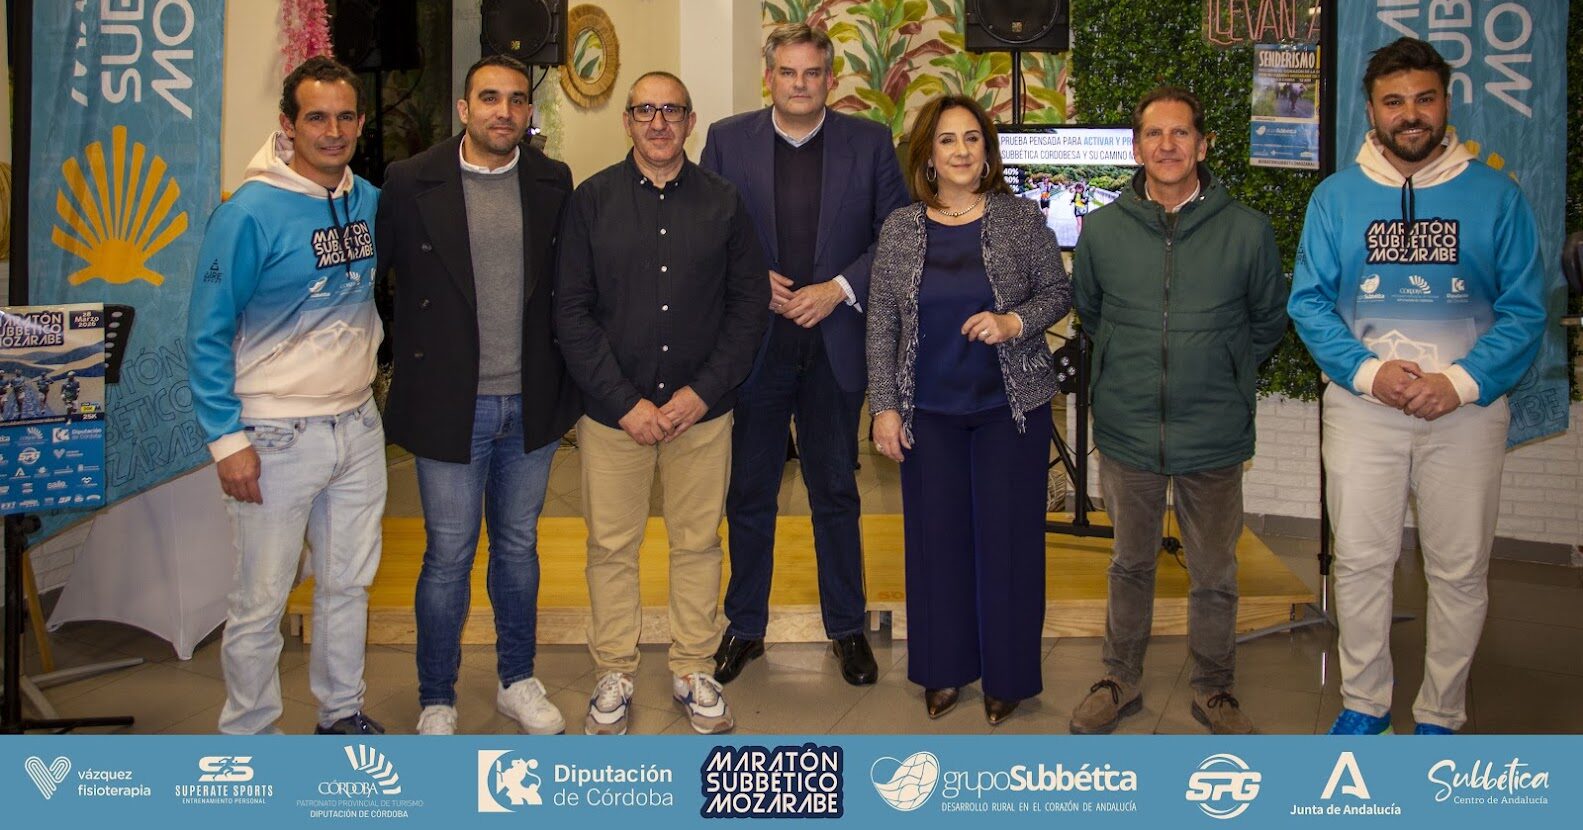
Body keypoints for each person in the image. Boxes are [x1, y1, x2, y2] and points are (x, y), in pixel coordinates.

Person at [1289, 38, 1547, 736]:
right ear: (1371, 110)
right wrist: (1370, 372)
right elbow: (1308, 303)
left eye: (1424, 99)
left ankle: (1441, 711)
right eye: (1393, 101)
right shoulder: (1335, 198)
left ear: (1446, 103)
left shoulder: (1497, 196)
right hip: (1362, 409)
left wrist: (1459, 382)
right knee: (1361, 562)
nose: (1410, 114)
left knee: (1459, 569)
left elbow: (1526, 311)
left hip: (1465, 413)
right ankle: (1364, 704)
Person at [1067, 86, 1287, 735]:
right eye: (1153, 134)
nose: (1167, 145)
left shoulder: (1246, 231)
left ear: (1203, 145)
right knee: (1129, 564)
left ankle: (1214, 689)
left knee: (1214, 573)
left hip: (1212, 433)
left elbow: (1266, 322)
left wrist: (1219, 369)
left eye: (1180, 133)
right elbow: (1092, 313)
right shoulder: (1102, 230)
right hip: (1128, 429)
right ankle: (1119, 678)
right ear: (1136, 148)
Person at [555, 71, 768, 735]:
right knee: (610, 547)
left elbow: (747, 307)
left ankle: (693, 667)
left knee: (697, 543)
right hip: (613, 417)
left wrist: (700, 393)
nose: (658, 122)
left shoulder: (724, 202)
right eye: (644, 110)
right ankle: (613, 671)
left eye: (671, 110)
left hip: (700, 415)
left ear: (690, 121)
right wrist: (624, 403)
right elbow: (571, 312)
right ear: (627, 121)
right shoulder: (591, 201)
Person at [376, 54, 581, 736]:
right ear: (464, 109)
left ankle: (517, 679)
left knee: (518, 548)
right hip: (449, 402)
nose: (504, 111)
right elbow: (375, 281)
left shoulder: (552, 180)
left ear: (529, 112)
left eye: (517, 99)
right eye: (489, 98)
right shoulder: (410, 181)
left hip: (530, 400)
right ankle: (437, 695)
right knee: (448, 554)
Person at [700, 22, 909, 688]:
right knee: (750, 492)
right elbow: (705, 230)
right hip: (754, 347)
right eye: (787, 72)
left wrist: (839, 287)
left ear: (830, 79)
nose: (799, 84)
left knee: (835, 491)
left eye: (811, 73)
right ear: (769, 77)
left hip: (834, 343)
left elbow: (898, 235)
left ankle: (846, 627)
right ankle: (745, 626)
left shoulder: (870, 143)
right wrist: (747, 277)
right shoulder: (726, 140)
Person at [187, 56, 386, 735]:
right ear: (287, 125)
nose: (332, 131)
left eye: (344, 117)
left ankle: (340, 713)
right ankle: (250, 736)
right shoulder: (247, 213)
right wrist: (227, 440)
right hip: (274, 437)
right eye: (316, 117)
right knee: (261, 600)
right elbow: (206, 331)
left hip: (357, 425)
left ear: (360, 122)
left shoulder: (367, 200)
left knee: (348, 584)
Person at [867, 94, 1071, 726]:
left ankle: (1009, 676)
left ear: (987, 152)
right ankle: (943, 669)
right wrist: (884, 407)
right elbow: (881, 324)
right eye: (948, 139)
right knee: (936, 545)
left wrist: (1015, 322)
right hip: (927, 414)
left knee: (1009, 545)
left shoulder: (1020, 218)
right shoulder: (901, 228)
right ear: (928, 155)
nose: (961, 150)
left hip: (1010, 412)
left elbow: (1058, 291)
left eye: (972, 138)